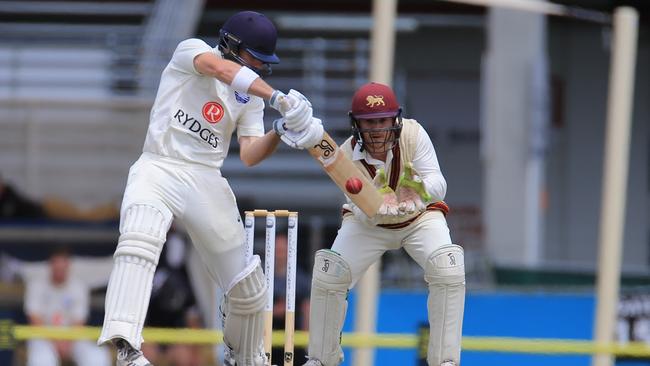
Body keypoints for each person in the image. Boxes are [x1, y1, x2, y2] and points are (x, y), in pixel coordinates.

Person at [96, 10, 323, 366]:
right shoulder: (193, 51)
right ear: (232, 46)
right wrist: (281, 98)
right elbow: (222, 71)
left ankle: (245, 357)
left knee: (248, 285)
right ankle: (126, 344)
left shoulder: (251, 98)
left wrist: (279, 130)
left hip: (205, 177)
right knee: (140, 240)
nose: (261, 68)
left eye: (265, 63)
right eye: (255, 59)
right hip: (160, 165)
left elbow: (249, 154)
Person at [299, 83, 466, 366]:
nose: (376, 129)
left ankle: (445, 361)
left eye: (382, 120)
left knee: (447, 267)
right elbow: (357, 208)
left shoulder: (414, 133)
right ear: (356, 123)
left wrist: (420, 190)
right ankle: (321, 359)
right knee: (330, 273)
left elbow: (439, 183)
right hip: (369, 224)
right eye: (369, 122)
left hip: (419, 218)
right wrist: (375, 207)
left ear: (395, 120)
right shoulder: (344, 156)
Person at [23, 246, 111, 366]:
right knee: (42, 361)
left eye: (62, 266)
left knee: (96, 358)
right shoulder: (36, 285)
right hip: (43, 335)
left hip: (72, 336)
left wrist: (66, 341)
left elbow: (79, 320)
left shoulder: (78, 286)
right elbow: (34, 318)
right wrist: (55, 341)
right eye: (56, 265)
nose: (59, 269)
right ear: (50, 264)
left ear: (68, 265)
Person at [270, 232, 311, 365]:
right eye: (278, 250)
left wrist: (306, 340)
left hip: (295, 344)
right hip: (269, 342)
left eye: (283, 250)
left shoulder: (301, 281)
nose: (280, 254)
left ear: (290, 251)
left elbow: (307, 310)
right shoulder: (263, 279)